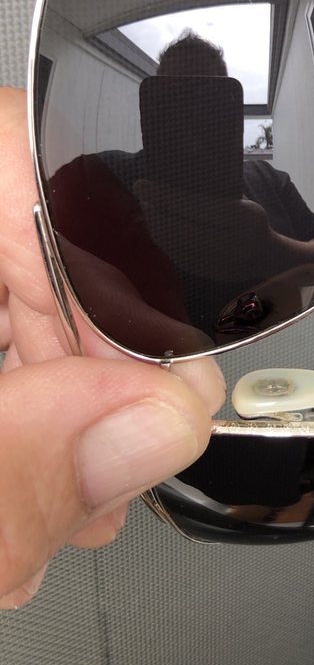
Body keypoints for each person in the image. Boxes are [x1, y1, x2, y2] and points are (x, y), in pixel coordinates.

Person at [0, 87, 226, 609]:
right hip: (142, 350)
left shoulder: (266, 181)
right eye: (172, 102)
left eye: (213, 101)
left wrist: (266, 244)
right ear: (148, 110)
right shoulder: (96, 178)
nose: (191, 125)